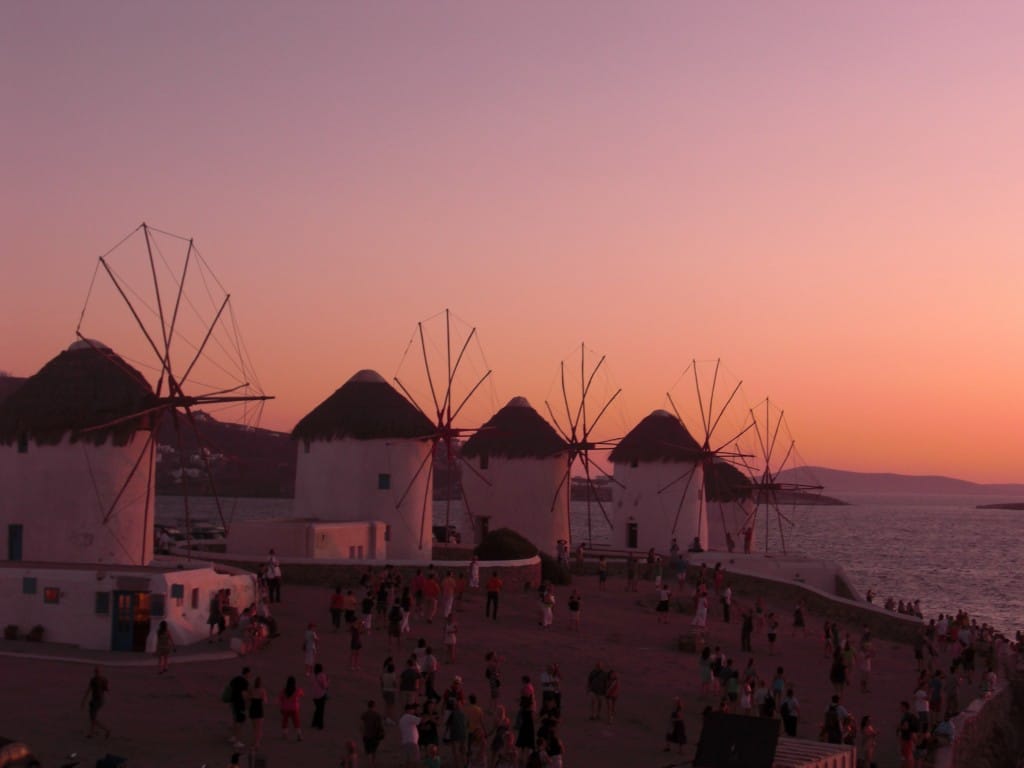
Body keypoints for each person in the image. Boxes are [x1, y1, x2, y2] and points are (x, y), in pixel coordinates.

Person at [82, 666, 111, 739]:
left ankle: (106, 730)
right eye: (96, 672)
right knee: (93, 717)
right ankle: (91, 733)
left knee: (93, 718)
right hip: (99, 700)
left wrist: (83, 701)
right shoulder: (103, 679)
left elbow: (88, 690)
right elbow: (106, 690)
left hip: (96, 701)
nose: (97, 673)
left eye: (97, 672)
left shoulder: (95, 680)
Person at [278, 675, 304, 742]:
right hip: (294, 708)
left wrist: (281, 707)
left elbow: (280, 699)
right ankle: (299, 735)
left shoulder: (283, 691)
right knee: (296, 722)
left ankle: (285, 734)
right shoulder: (297, 690)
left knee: (285, 721)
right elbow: (302, 694)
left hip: (285, 708)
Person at [360, 700, 385, 766]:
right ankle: (372, 763)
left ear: (368, 706)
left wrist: (362, 732)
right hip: (375, 735)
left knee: (368, 751)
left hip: (366, 735)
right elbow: (380, 726)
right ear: (374, 706)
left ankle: (370, 763)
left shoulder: (364, 714)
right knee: (373, 750)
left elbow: (361, 725)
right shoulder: (377, 715)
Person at [398, 702, 421, 768]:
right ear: (409, 710)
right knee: (414, 762)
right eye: (413, 710)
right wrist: (419, 713)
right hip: (412, 743)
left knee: (407, 762)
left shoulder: (402, 718)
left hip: (405, 742)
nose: (414, 711)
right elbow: (420, 721)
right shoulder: (409, 716)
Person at [248, 675, 267, 751]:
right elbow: (265, 701)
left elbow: (248, 698)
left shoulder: (251, 689)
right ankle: (256, 744)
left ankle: (254, 743)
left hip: (252, 709)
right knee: (259, 729)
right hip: (259, 709)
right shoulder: (262, 690)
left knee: (254, 728)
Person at [310, 663, 329, 730]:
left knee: (318, 709)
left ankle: (314, 723)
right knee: (320, 711)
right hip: (321, 695)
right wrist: (328, 682)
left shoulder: (313, 675)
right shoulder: (322, 675)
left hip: (314, 695)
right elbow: (325, 686)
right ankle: (320, 725)